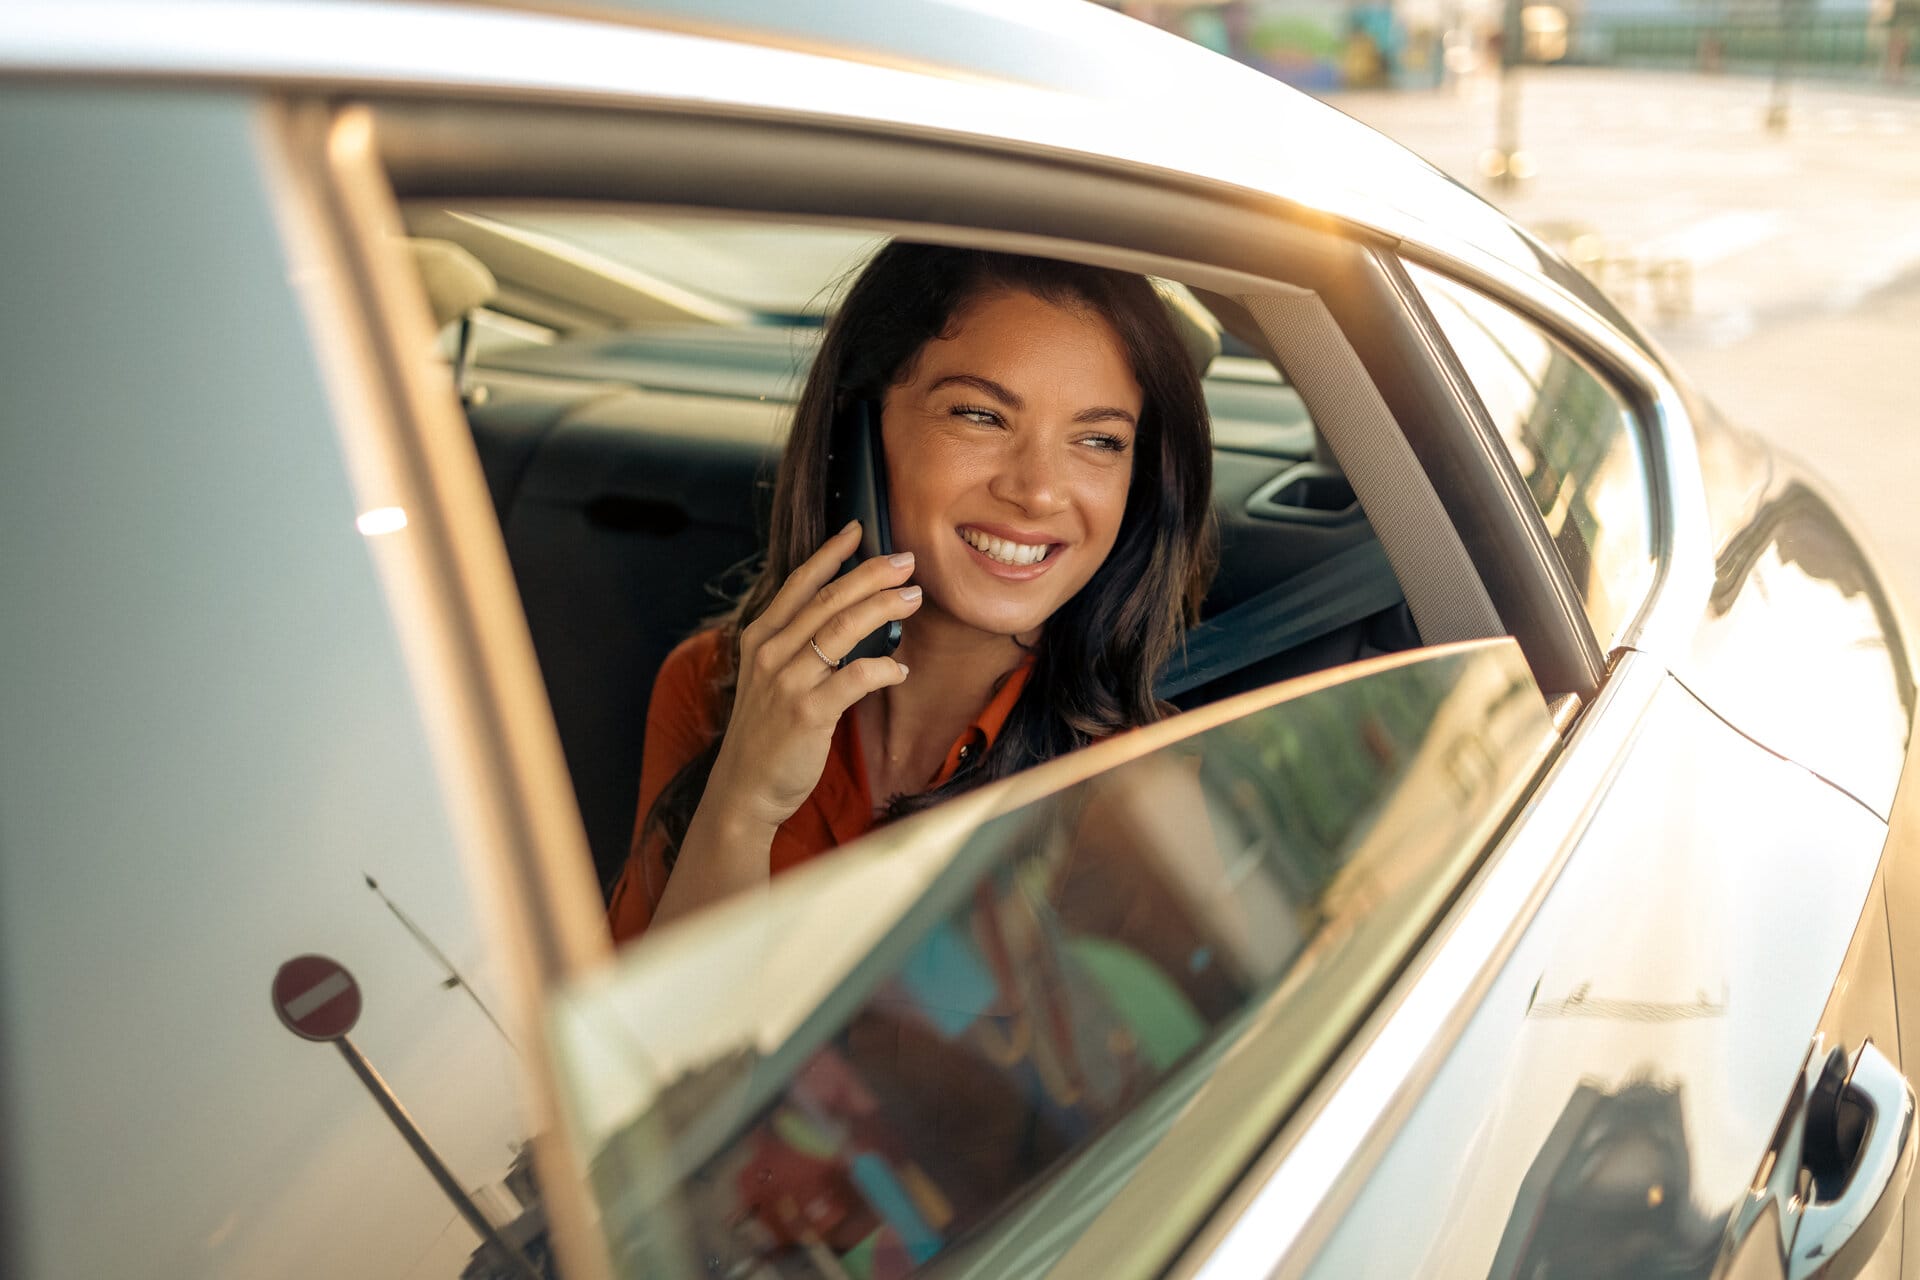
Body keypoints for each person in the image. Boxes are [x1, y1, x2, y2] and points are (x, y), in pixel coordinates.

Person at [607, 242, 1216, 942]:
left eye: (1100, 440)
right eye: (980, 416)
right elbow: (643, 1041)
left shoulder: (1134, 791)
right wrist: (743, 805)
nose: (1039, 490)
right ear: (859, 432)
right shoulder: (717, 683)